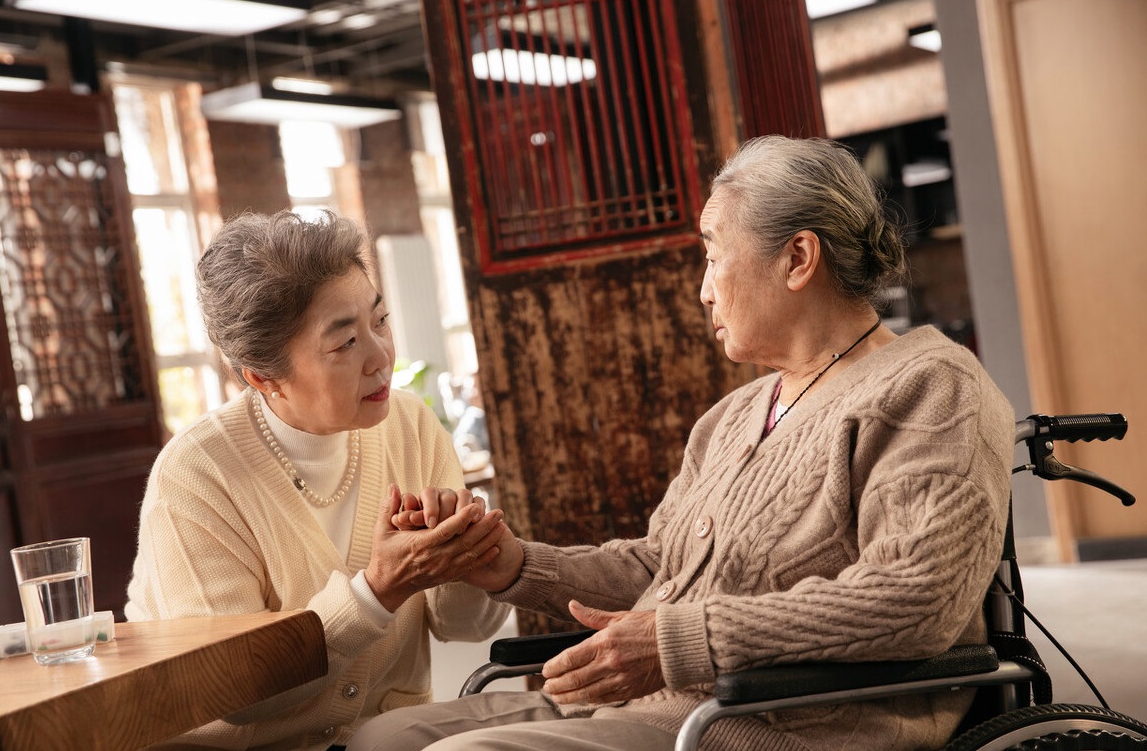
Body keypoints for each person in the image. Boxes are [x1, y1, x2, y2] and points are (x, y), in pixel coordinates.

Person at [346, 135, 1015, 751]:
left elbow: (915, 598)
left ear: (798, 257)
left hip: (785, 723)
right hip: (661, 707)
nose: (702, 290)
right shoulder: (734, 416)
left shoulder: (931, 386)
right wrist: (514, 562)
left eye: (713, 255)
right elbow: (659, 566)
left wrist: (679, 640)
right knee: (382, 739)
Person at [124, 210, 512, 750]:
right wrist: (376, 593)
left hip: (389, 739)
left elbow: (464, 626)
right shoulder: (195, 478)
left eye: (379, 321)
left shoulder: (411, 426)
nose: (380, 358)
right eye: (344, 343)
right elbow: (234, 693)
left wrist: (476, 556)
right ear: (264, 377)